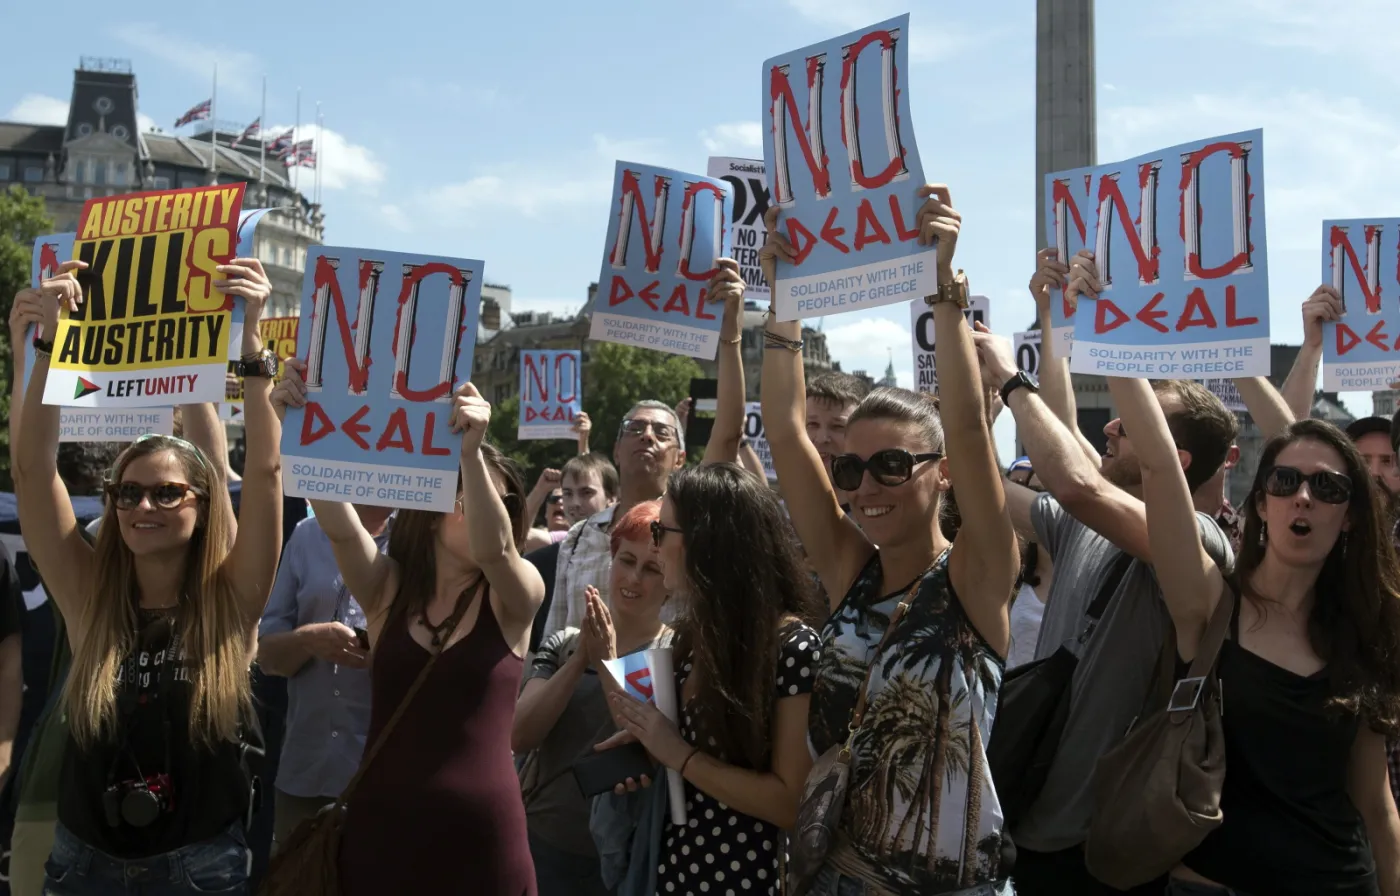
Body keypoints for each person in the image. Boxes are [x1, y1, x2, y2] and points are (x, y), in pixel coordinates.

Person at [760, 187, 1019, 894]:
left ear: (941, 478)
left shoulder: (976, 579)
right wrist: (784, 300)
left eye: (893, 465)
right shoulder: (852, 572)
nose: (866, 486)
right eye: (850, 468)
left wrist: (943, 286)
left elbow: (967, 432)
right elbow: (784, 430)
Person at [971, 250, 1249, 896]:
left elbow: (1077, 484)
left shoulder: (1200, 542)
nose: (1112, 423)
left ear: (1172, 457)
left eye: (1135, 417)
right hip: (1032, 822)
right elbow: (992, 487)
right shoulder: (1081, 528)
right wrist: (984, 396)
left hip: (1108, 847)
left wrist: (1015, 383)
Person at [16, 256, 282, 894]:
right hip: (81, 866)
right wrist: (46, 346)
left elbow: (267, 474)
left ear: (204, 502)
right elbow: (32, 470)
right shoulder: (89, 599)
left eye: (167, 494)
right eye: (127, 493)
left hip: (201, 870)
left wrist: (252, 340)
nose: (142, 507)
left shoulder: (231, 602)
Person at [1107, 371, 1400, 895]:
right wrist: (1110, 334)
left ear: (1351, 516)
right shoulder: (1209, 604)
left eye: (1327, 486)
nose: (1303, 497)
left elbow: (1376, 806)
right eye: (1285, 482)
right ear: (1262, 504)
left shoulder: (1361, 634)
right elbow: (1157, 463)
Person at [272, 359, 543, 895]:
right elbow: (340, 529)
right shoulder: (390, 590)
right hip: (379, 839)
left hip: (482, 848)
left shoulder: (516, 594)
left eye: (501, 500)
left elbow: (496, 548)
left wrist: (469, 452)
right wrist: (296, 427)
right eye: (465, 492)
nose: (484, 509)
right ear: (434, 508)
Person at [601, 464, 823, 896]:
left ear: (707, 542)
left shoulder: (793, 647)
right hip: (673, 874)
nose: (655, 545)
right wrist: (646, 752)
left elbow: (791, 802)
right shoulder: (691, 637)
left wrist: (679, 755)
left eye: (663, 531)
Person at [542, 260, 745, 641]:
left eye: (662, 432)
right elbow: (554, 639)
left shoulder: (696, 528)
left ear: (680, 459)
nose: (647, 435)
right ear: (616, 449)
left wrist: (729, 334)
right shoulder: (579, 537)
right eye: (635, 428)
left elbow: (729, 434)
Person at [512, 501, 669, 896]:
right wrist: (582, 656)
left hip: (621, 860)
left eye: (652, 568)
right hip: (540, 846)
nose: (634, 577)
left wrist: (608, 662)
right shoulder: (565, 643)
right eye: (626, 560)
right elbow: (520, 734)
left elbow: (645, 753)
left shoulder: (675, 655)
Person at [255, 504, 393, 852]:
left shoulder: (425, 540)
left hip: (388, 778)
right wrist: (307, 640)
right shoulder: (306, 534)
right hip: (306, 773)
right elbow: (267, 656)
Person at [527, 453, 620, 653]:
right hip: (571, 665)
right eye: (567, 493)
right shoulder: (564, 546)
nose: (574, 503)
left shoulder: (627, 545)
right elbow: (513, 539)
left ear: (612, 498)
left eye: (586, 493)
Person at [1006, 459, 1052, 669]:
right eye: (1032, 491)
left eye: (1050, 493)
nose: (1040, 502)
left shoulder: (1091, 570)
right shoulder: (1012, 566)